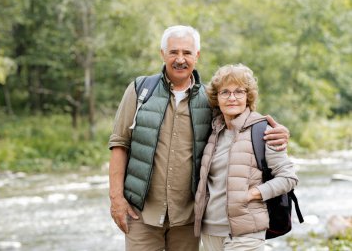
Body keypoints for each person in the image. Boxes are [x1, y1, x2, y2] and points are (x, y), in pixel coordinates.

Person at [108, 25, 290, 251]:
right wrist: (117, 199)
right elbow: (119, 144)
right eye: (173, 52)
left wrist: (277, 131)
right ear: (162, 54)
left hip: (188, 218)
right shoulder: (139, 91)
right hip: (141, 214)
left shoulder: (209, 99)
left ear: (197, 56)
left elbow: (241, 119)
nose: (180, 59)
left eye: (187, 52)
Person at [194, 64, 299, 251]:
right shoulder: (213, 132)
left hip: (246, 233)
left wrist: (252, 194)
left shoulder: (263, 131)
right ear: (216, 98)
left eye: (239, 92)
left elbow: (288, 178)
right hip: (210, 231)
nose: (232, 97)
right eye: (225, 92)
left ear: (248, 96)